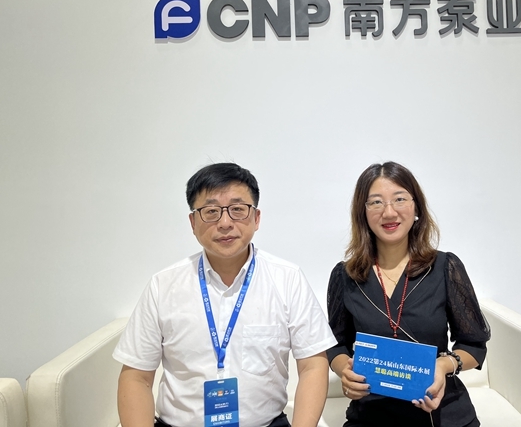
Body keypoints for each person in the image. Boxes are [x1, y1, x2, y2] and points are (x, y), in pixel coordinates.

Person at [113, 162, 337, 427]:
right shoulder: (163, 285)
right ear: (193, 222)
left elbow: (312, 365)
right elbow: (137, 377)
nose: (225, 223)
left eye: (237, 209)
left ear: (256, 218)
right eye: (211, 212)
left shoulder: (288, 279)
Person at [327, 161, 491, 427]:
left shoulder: (445, 267)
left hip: (441, 412)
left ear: (416, 207)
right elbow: (335, 344)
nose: (389, 212)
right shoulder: (345, 276)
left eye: (400, 199)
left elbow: (474, 345)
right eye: (376, 202)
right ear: (362, 213)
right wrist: (345, 370)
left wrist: (443, 366)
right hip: (372, 413)